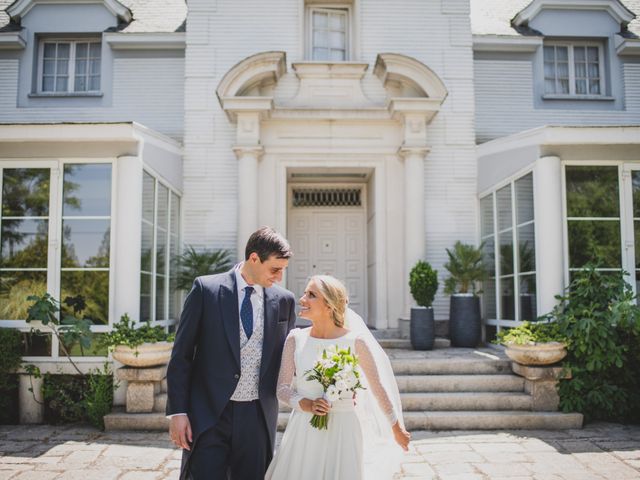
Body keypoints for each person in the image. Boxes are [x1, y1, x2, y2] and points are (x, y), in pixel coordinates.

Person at [166, 226, 297, 480]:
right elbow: (181, 355)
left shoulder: (285, 300)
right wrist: (178, 412)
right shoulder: (206, 290)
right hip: (209, 414)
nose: (279, 277)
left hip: (257, 417)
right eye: (275, 269)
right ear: (254, 258)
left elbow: (291, 358)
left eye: (283, 270)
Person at [265, 275, 410, 480]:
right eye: (305, 293)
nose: (302, 299)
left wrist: (396, 428)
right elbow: (282, 388)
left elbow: (377, 388)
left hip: (345, 430)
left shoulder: (355, 342)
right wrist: (305, 403)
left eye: (311, 295)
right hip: (304, 429)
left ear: (329, 305)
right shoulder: (295, 339)